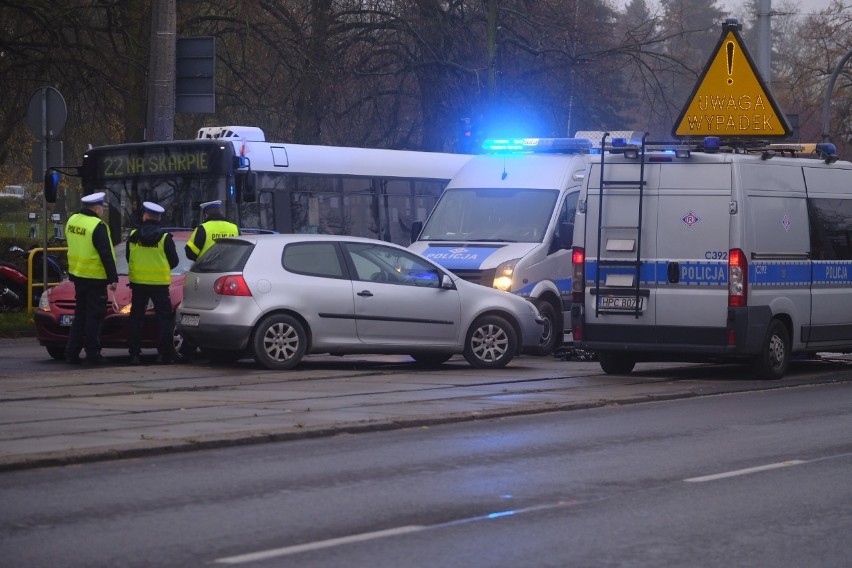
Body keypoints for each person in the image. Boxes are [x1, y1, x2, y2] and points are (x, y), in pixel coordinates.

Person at [64, 192, 118, 365]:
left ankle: (71, 353)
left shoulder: (72, 220)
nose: (102, 210)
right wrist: (113, 278)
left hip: (78, 276)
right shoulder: (97, 225)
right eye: (102, 207)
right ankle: (93, 354)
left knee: (80, 315)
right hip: (95, 278)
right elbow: (106, 254)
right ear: (96, 207)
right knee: (94, 317)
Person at [127, 202, 179, 365]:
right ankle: (163, 354)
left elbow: (129, 258)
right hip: (159, 284)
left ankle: (134, 354)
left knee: (136, 318)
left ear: (145, 216)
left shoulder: (134, 235)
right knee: (164, 319)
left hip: (138, 283)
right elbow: (174, 261)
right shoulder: (165, 238)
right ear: (159, 217)